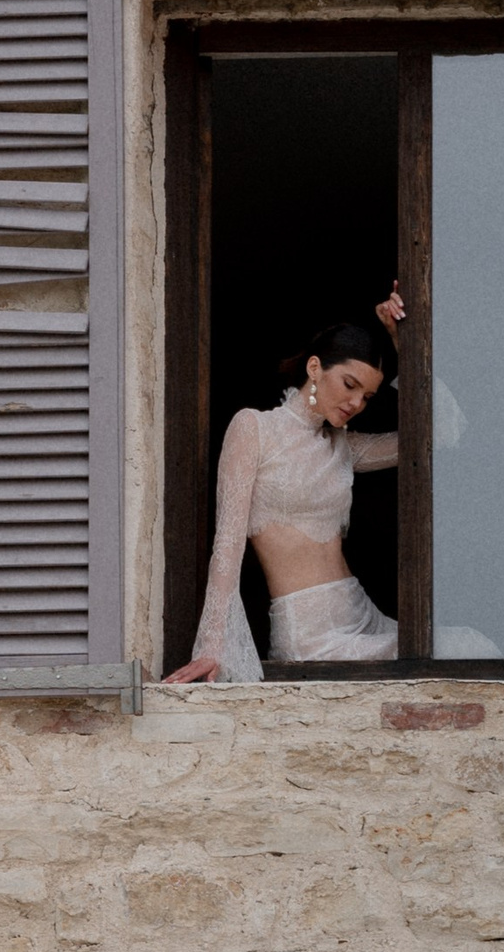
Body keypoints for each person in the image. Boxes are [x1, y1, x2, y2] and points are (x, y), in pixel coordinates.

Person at [169, 289, 407, 682]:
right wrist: (211, 647)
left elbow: (440, 435)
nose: (356, 403)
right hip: (311, 636)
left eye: (366, 396)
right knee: (463, 648)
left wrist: (402, 340)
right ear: (315, 367)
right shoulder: (254, 428)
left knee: (464, 645)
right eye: (348, 384)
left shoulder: (344, 446)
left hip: (362, 615)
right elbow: (227, 545)